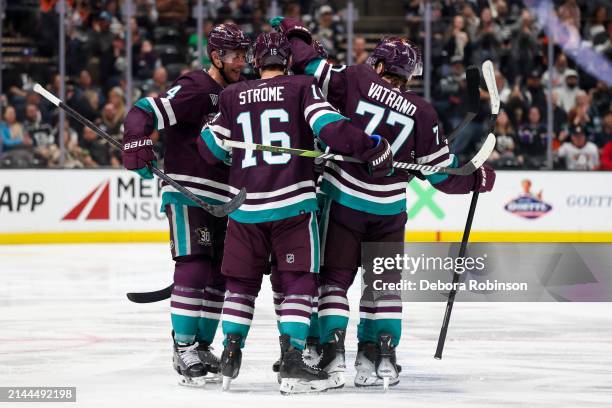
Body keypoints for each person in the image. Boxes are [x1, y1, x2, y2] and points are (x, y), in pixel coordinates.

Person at [272, 17, 496, 388]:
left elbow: (310, 66)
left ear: (378, 64)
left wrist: (294, 33)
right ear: (408, 75)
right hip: (389, 212)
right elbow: (441, 175)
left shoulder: (359, 79)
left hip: (343, 201)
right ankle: (381, 354)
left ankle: (331, 352)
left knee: (333, 282)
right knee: (384, 285)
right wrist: (478, 177)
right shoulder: (423, 112)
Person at [197, 32, 393, 394]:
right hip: (292, 205)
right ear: (287, 62)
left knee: (240, 284)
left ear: (257, 62)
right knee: (299, 281)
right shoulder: (302, 87)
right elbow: (330, 128)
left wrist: (233, 157)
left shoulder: (231, 95)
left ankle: (231, 353)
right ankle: (292, 360)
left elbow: (208, 146)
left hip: (245, 207)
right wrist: (373, 147)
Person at [121, 23, 250, 387]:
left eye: (245, 55)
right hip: (188, 191)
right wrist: (136, 141)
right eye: (235, 56)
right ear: (215, 56)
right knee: (193, 265)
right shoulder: (196, 87)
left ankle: (201, 345)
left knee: (220, 275)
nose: (242, 62)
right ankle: (183, 346)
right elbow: (144, 110)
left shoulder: (239, 93)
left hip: (226, 199)